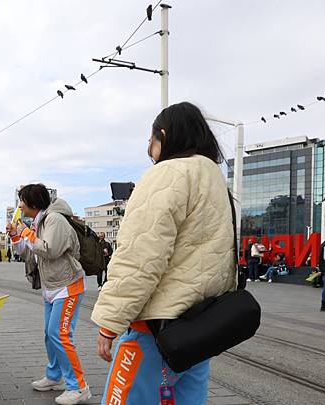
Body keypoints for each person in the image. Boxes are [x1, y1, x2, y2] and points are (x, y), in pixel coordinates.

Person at [91, 102, 237, 404]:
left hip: (155, 332)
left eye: (150, 140)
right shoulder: (214, 178)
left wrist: (110, 322)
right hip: (198, 329)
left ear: (164, 134)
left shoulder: (166, 174)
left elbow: (140, 256)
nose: (148, 149)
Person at [7, 184, 91, 405]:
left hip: (67, 285)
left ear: (33, 203)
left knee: (59, 334)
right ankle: (55, 376)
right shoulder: (38, 221)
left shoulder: (54, 220)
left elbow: (50, 249)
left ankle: (79, 387)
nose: (20, 206)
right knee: (50, 333)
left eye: (22, 201)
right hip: (51, 287)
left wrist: (26, 233)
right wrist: (17, 237)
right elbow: (25, 252)